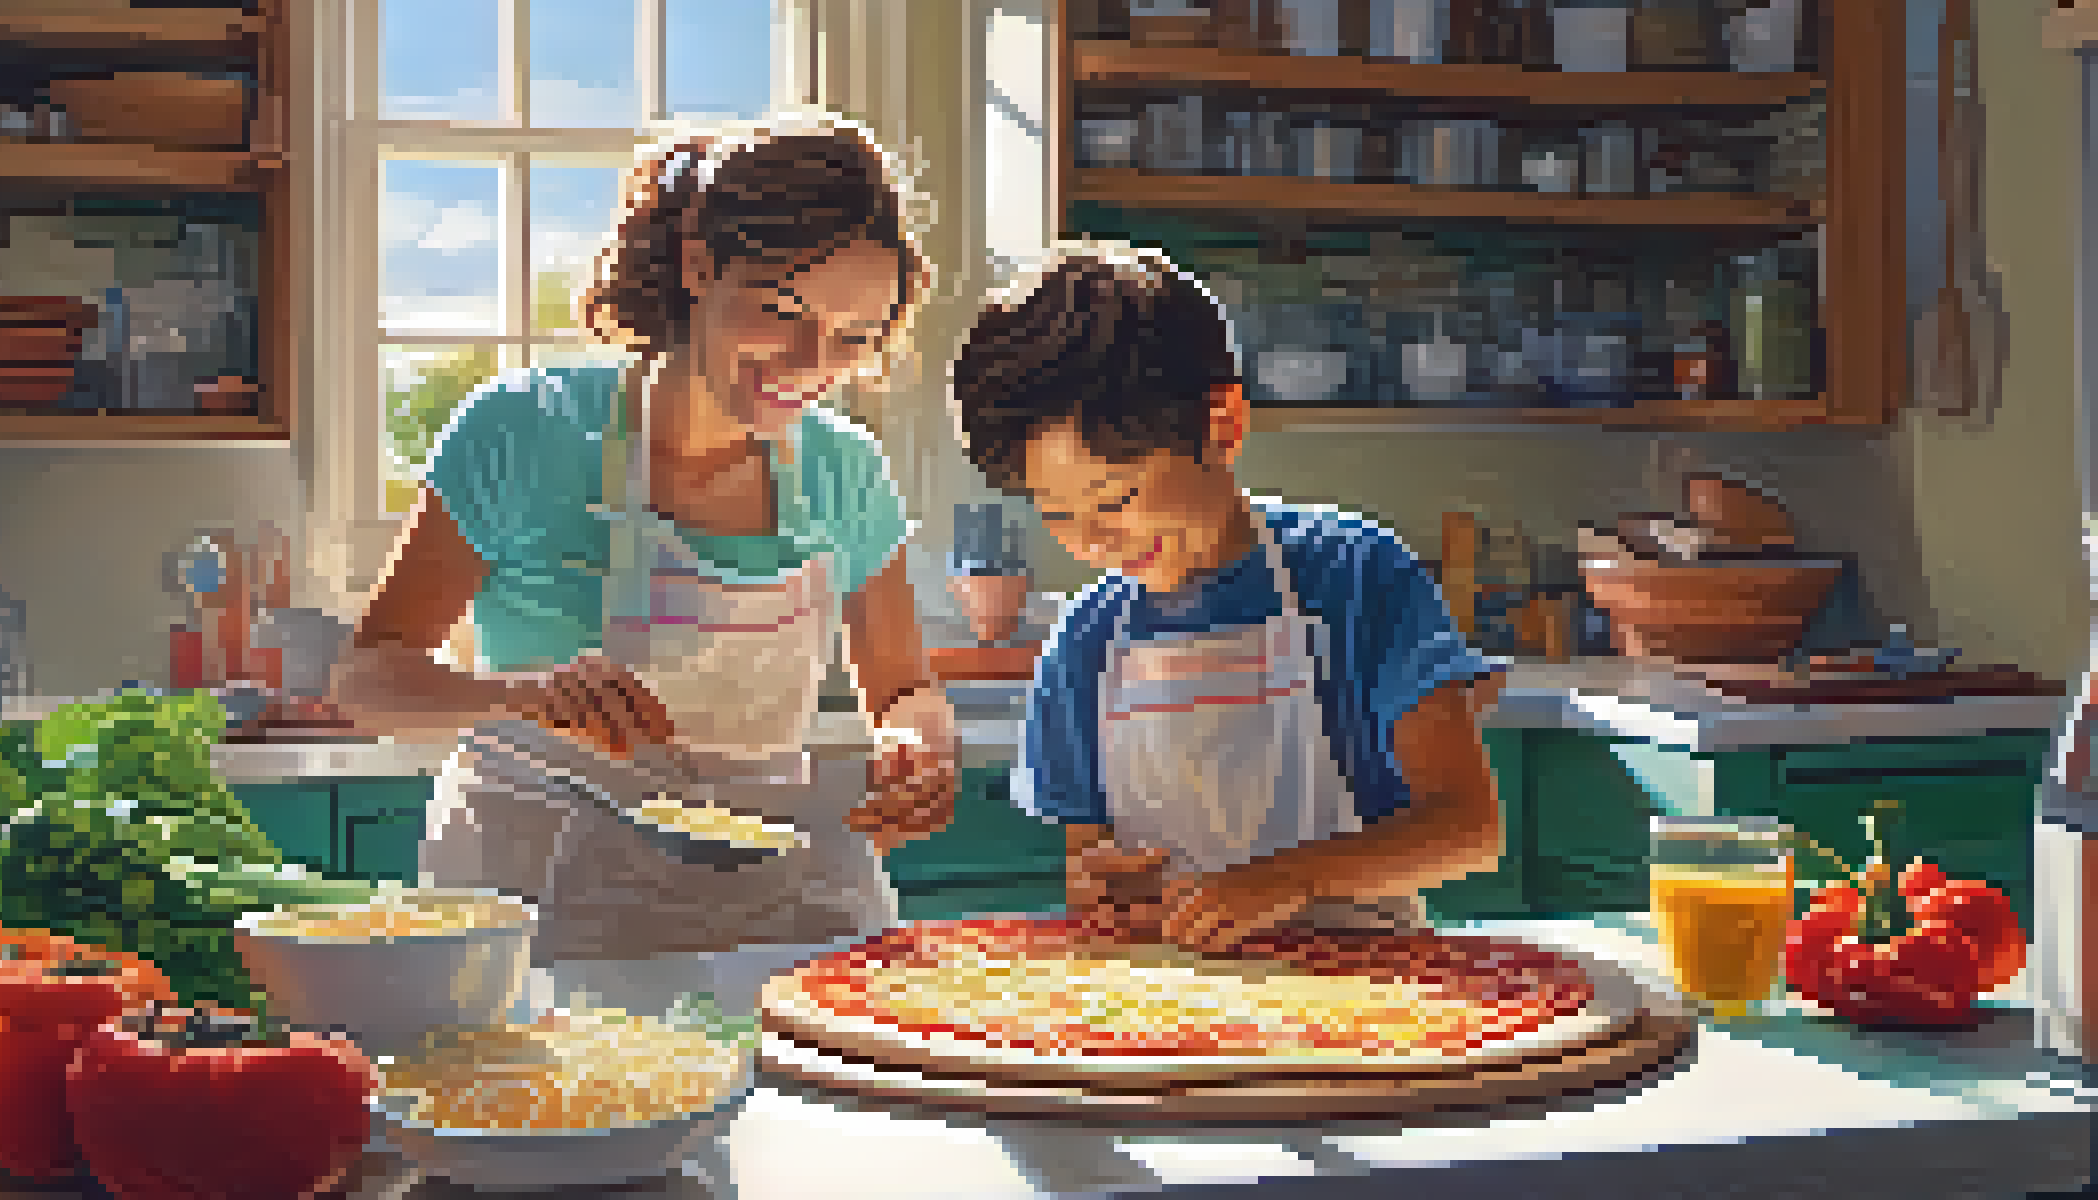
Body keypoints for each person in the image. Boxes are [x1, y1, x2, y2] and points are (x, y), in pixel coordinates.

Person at [330, 113, 959, 972]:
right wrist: (516, 698)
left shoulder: (844, 471)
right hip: (543, 903)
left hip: (776, 905)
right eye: (782, 312)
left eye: (854, 337)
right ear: (700, 265)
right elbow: (366, 681)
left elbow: (903, 689)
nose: (813, 364)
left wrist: (918, 747)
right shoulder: (526, 430)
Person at [947, 243, 1507, 956]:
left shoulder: (1356, 574)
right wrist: (1105, 887)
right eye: (1055, 514)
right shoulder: (1087, 639)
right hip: (1167, 1008)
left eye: (1114, 500)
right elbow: (1089, 873)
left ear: (1222, 428)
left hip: (1370, 996)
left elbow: (1467, 829)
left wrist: (1290, 882)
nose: (1090, 544)